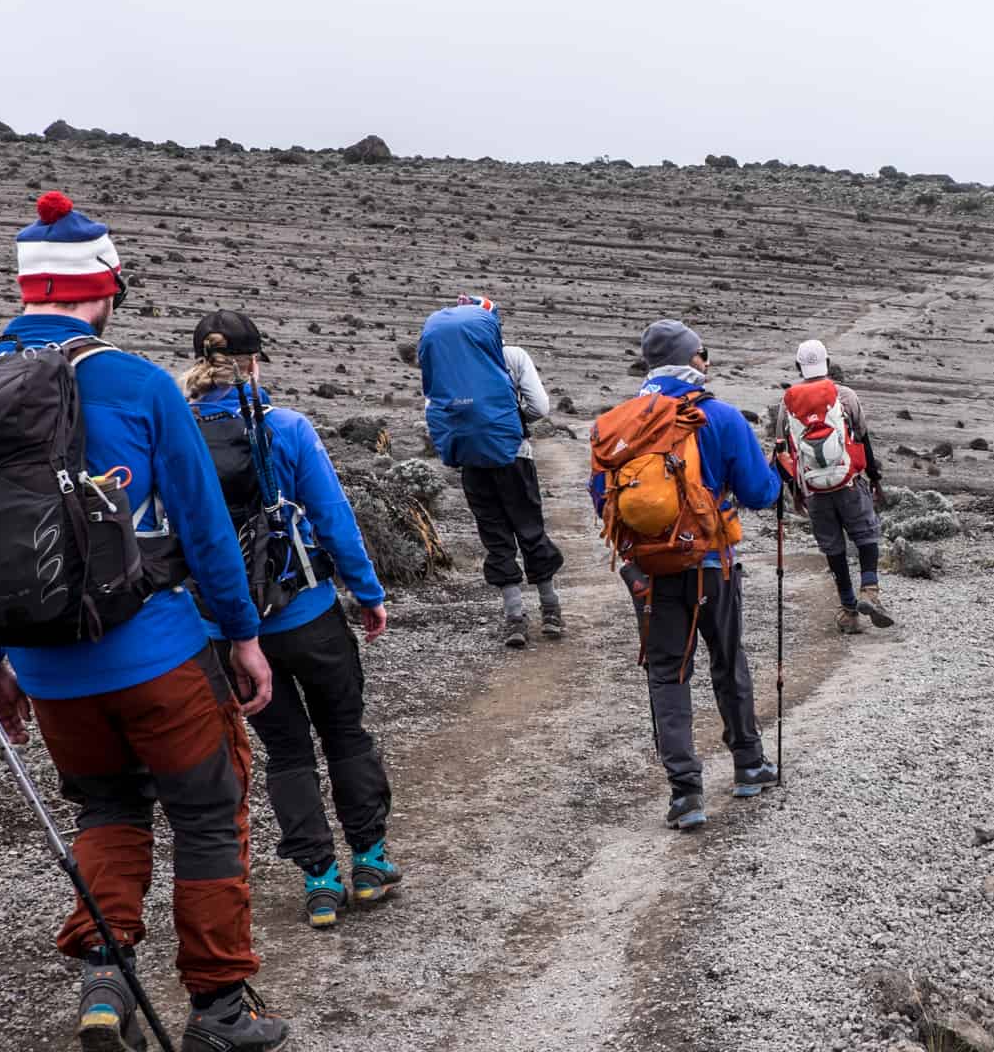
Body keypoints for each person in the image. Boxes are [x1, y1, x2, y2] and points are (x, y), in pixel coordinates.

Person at [0, 194, 290, 1051]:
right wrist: (243, 637)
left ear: (27, 290)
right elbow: (201, 527)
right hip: (155, 652)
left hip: (45, 667)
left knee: (104, 809)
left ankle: (103, 982)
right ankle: (222, 1009)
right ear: (104, 290)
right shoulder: (137, 382)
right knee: (206, 812)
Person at [181, 309, 400, 930]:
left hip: (227, 631)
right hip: (307, 615)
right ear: (255, 362)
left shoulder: (174, 434)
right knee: (346, 733)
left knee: (286, 751)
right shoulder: (287, 427)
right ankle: (369, 860)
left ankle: (319, 879)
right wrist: (368, 592)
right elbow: (333, 519)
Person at [591, 319, 783, 830]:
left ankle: (685, 794)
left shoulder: (617, 425)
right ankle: (748, 764)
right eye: (704, 353)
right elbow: (763, 494)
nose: (708, 361)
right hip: (711, 564)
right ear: (693, 360)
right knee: (727, 659)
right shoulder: (717, 416)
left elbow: (601, 499)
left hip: (650, 574)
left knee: (667, 674)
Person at [419, 294, 565, 648]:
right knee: (530, 528)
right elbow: (540, 407)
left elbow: (432, 410)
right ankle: (551, 612)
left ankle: (514, 618)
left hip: (472, 459)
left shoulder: (445, 364)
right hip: (514, 456)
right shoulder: (512, 356)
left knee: (495, 535)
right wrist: (511, 423)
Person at [778, 338, 893, 634]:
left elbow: (783, 452)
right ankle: (869, 590)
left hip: (815, 490)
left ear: (798, 367)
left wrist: (795, 491)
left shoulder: (787, 403)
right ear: (827, 364)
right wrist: (876, 482)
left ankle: (848, 610)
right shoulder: (846, 396)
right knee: (866, 534)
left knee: (833, 547)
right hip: (850, 483)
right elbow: (863, 441)